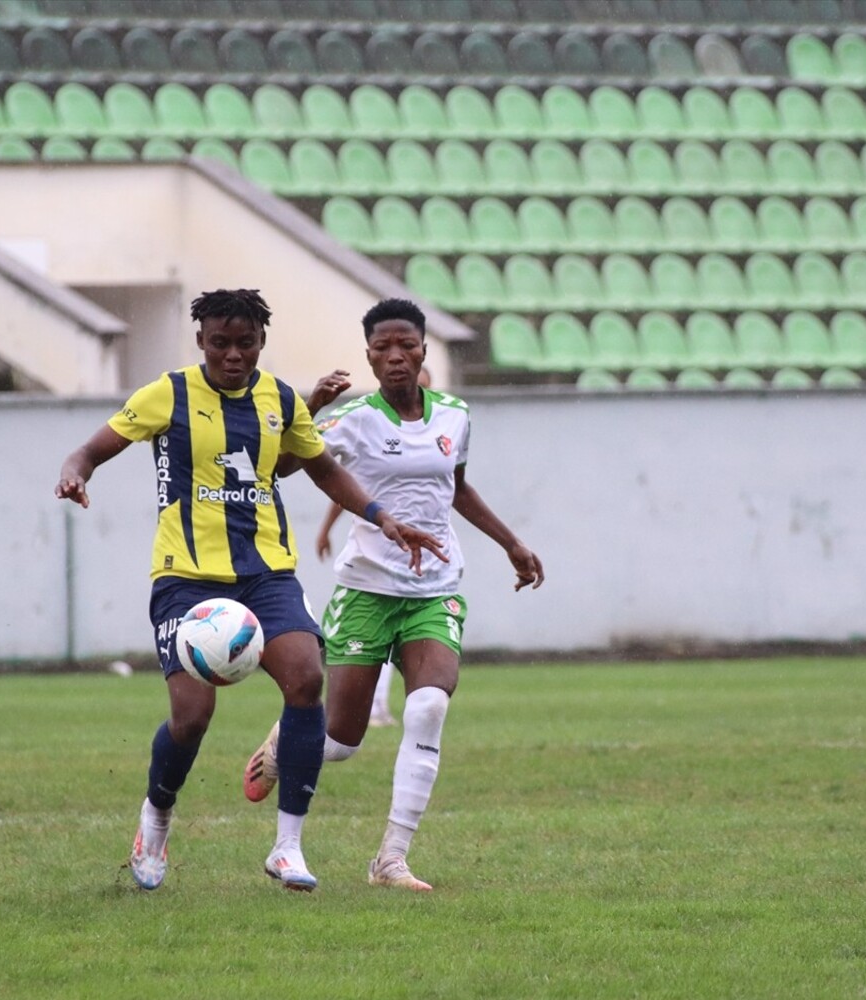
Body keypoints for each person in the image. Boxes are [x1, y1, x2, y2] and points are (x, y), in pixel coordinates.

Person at [55, 289, 446, 894]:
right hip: (186, 576)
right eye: (220, 344)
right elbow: (94, 447)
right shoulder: (170, 392)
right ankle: (155, 819)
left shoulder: (282, 399)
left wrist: (381, 515)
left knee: (306, 679)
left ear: (261, 343)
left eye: (244, 343)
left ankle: (287, 846)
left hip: (266, 573)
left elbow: (323, 469)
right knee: (192, 716)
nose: (232, 355)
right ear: (201, 342)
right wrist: (75, 472)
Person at [242, 297, 544, 891]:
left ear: (424, 349)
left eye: (406, 345)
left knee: (429, 706)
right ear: (369, 357)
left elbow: (456, 489)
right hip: (366, 590)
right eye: (382, 348)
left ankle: (391, 859)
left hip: (436, 588)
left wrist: (511, 543)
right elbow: (276, 468)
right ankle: (284, 745)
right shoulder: (352, 419)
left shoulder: (454, 414)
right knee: (341, 742)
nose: (395, 356)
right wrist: (310, 405)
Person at [313, 365, 433, 729]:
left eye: (423, 385)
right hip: (373, 564)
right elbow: (341, 487)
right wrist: (325, 530)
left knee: (411, 653)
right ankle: (339, 715)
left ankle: (382, 708)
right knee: (339, 733)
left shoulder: (435, 430)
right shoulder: (368, 426)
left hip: (421, 565)